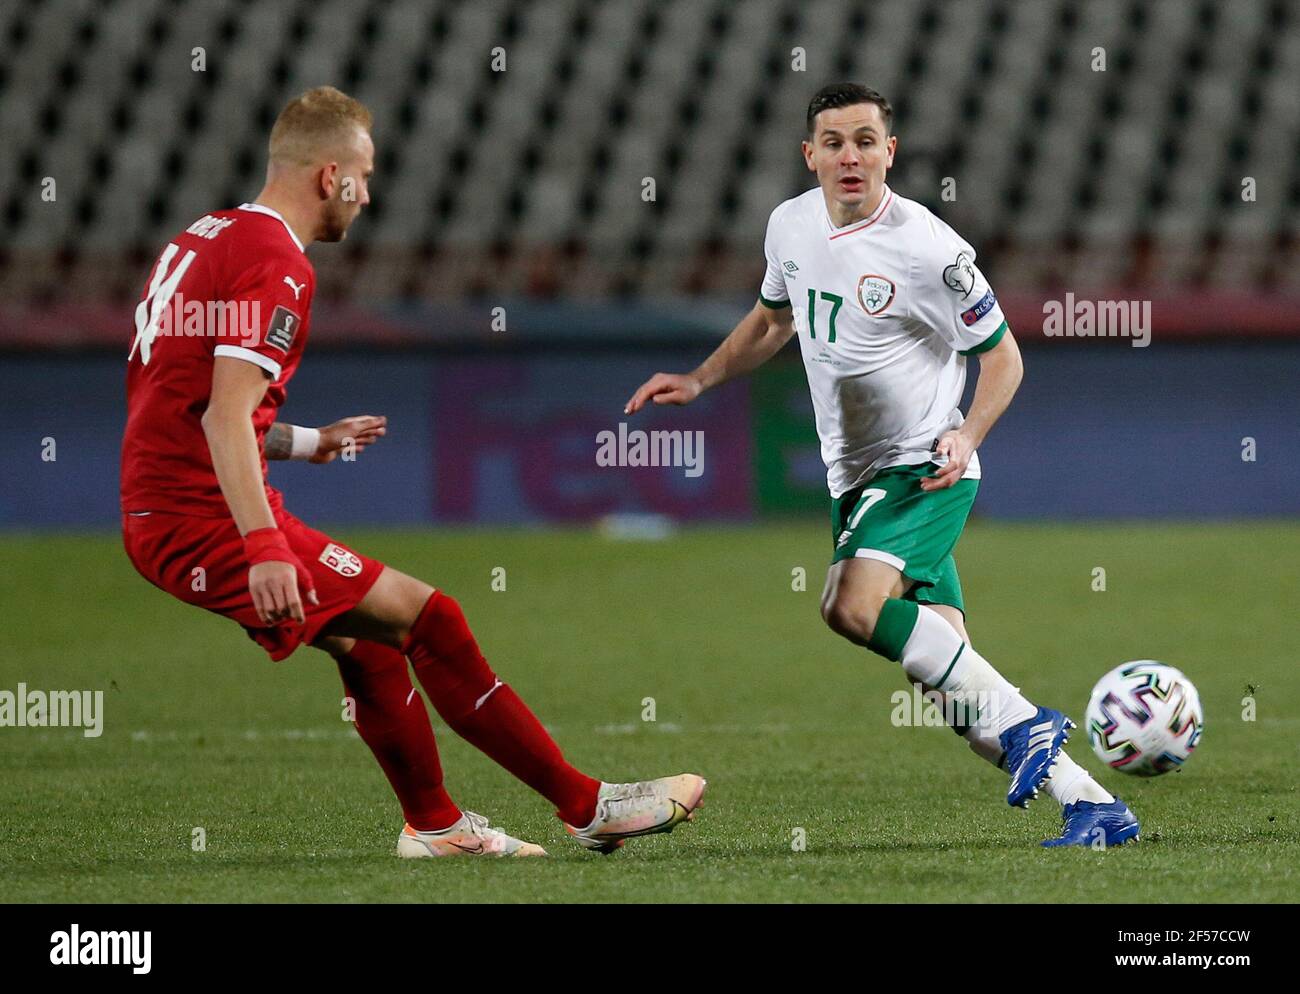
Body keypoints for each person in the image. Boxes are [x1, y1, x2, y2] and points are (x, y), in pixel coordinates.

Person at [122, 85, 705, 858]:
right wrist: (263, 545)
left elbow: (183, 401)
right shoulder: (278, 263)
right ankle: (585, 805)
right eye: (364, 175)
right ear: (331, 176)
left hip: (182, 504)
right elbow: (223, 415)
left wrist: (305, 442)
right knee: (432, 619)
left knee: (370, 642)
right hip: (204, 519)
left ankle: (435, 827)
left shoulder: (205, 235)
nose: (368, 196)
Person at [625, 83, 1136, 848]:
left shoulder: (930, 248)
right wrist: (701, 378)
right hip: (855, 480)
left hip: (923, 469)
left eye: (866, 140)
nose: (851, 155)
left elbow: (1003, 357)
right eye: (834, 141)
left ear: (889, 152)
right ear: (811, 155)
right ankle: (1095, 807)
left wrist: (968, 434)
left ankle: (1030, 723)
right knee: (958, 696)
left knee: (847, 604)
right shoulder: (789, 226)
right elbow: (773, 321)